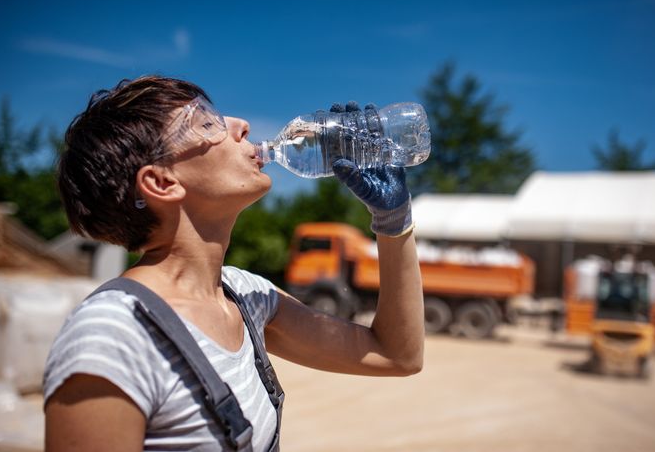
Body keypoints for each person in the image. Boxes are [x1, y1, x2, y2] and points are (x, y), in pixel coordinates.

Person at [43, 75, 424, 451]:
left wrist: (393, 222)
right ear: (162, 183)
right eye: (206, 123)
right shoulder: (113, 336)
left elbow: (396, 354)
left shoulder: (247, 297)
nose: (241, 126)